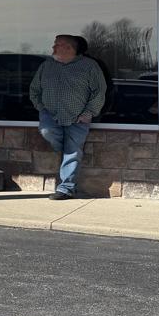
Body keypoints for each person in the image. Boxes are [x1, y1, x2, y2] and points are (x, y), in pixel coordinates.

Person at [29, 34, 107, 201]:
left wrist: (88, 113)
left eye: (57, 45)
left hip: (78, 118)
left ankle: (66, 189)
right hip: (50, 115)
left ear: (69, 48)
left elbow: (99, 91)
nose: (53, 48)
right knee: (48, 133)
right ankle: (64, 149)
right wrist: (41, 108)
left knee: (73, 152)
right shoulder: (46, 66)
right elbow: (34, 89)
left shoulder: (89, 66)